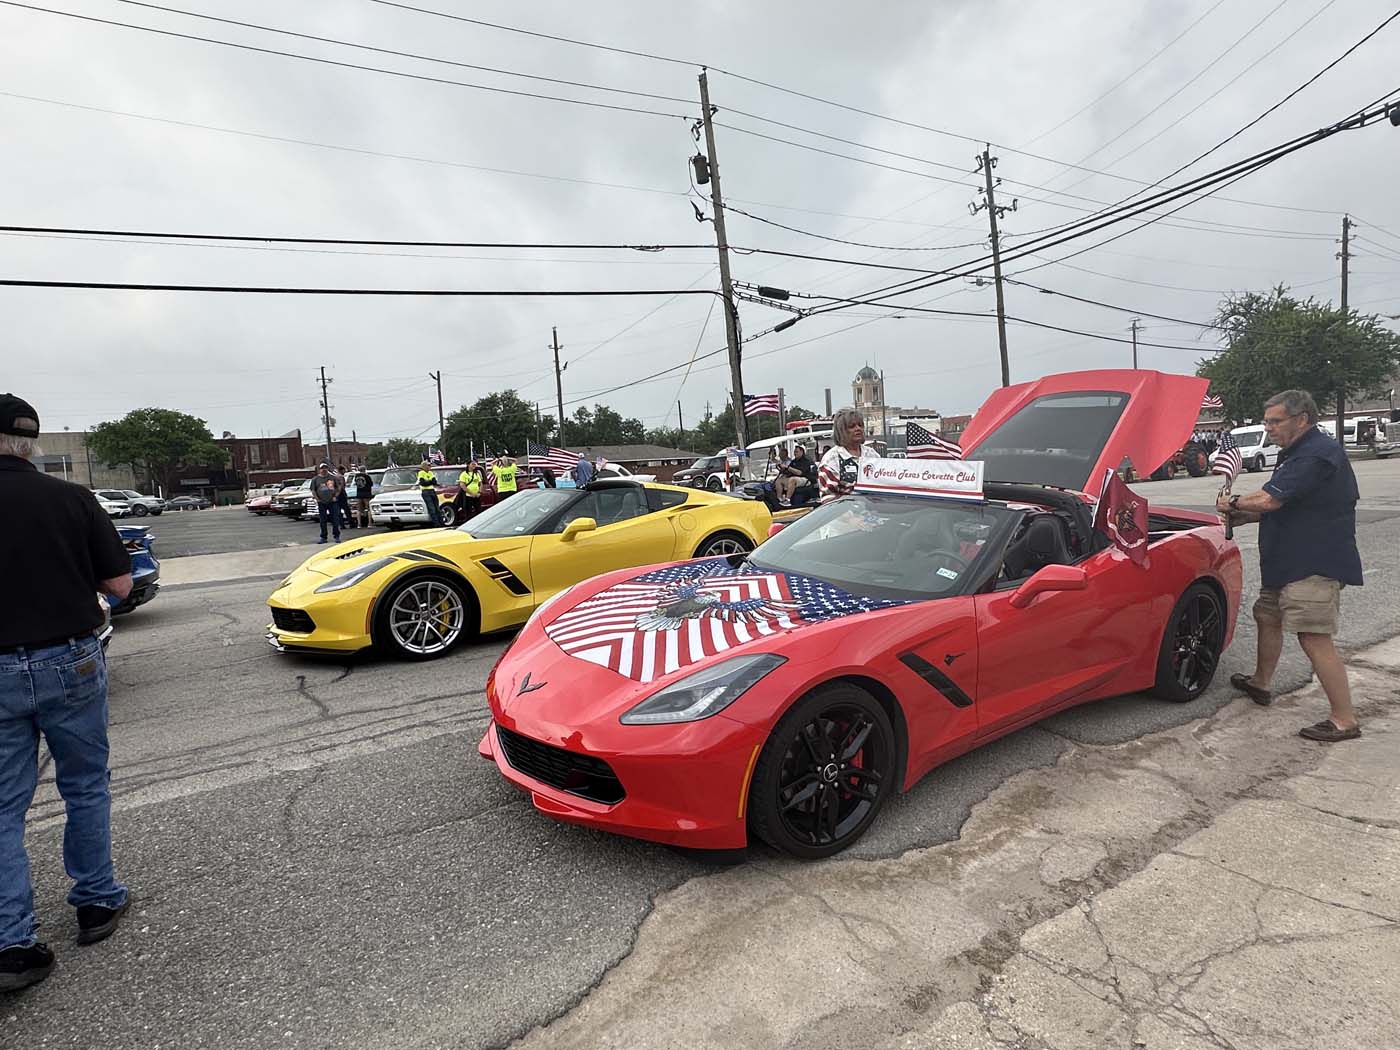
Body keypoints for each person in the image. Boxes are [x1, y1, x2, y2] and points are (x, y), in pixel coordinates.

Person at [0, 394, 133, 991]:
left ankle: (12, 943)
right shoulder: (71, 498)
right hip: (70, 657)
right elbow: (122, 585)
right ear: (31, 444)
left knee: (3, 806)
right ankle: (96, 901)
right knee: (83, 783)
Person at [1217, 389, 1363, 743]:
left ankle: (1344, 719)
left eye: (1275, 421)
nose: (1268, 428)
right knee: (1267, 617)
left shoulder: (1316, 454)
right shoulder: (1294, 454)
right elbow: (1286, 508)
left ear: (1302, 419)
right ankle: (1261, 683)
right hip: (1286, 561)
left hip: (1313, 563)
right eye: (1266, 421)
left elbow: (1270, 499)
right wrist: (1242, 516)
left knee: (1313, 636)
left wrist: (1232, 500)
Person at [818, 408, 878, 502]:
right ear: (841, 431)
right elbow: (828, 499)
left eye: (860, 425)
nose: (858, 428)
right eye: (852, 426)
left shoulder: (872, 454)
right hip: (846, 514)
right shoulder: (831, 460)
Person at [312, 462, 343, 544]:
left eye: (325, 468)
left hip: (332, 502)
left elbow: (339, 486)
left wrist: (336, 495)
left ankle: (336, 536)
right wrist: (317, 499)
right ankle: (323, 537)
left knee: (335, 519)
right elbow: (313, 490)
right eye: (322, 468)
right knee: (323, 520)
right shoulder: (315, 479)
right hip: (322, 502)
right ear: (320, 469)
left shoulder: (332, 477)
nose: (324, 470)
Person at [416, 460, 442, 526]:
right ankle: (436, 523)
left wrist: (428, 482)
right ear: (424, 466)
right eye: (428, 465)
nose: (430, 467)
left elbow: (434, 482)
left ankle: (441, 522)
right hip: (426, 492)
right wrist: (430, 481)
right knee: (432, 508)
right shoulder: (421, 473)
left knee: (437, 508)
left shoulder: (430, 472)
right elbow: (423, 483)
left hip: (432, 491)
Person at [333, 465, 354, 530]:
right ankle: (351, 523)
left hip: (336, 494)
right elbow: (341, 486)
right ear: (341, 470)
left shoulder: (334, 477)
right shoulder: (341, 477)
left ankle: (341, 525)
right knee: (347, 510)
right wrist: (340, 492)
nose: (345, 471)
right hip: (341, 494)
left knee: (338, 511)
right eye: (344, 470)